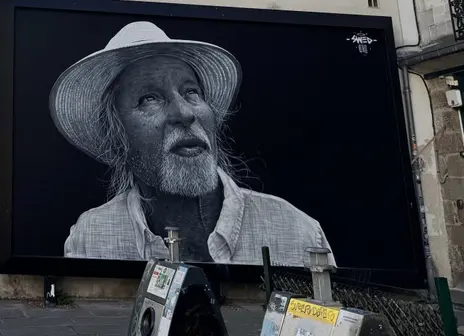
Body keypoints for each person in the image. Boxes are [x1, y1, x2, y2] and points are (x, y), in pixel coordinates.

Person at [49, 20, 332, 267]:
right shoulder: (91, 237)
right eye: (149, 98)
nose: (184, 113)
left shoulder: (298, 232)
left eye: (191, 92)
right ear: (117, 137)